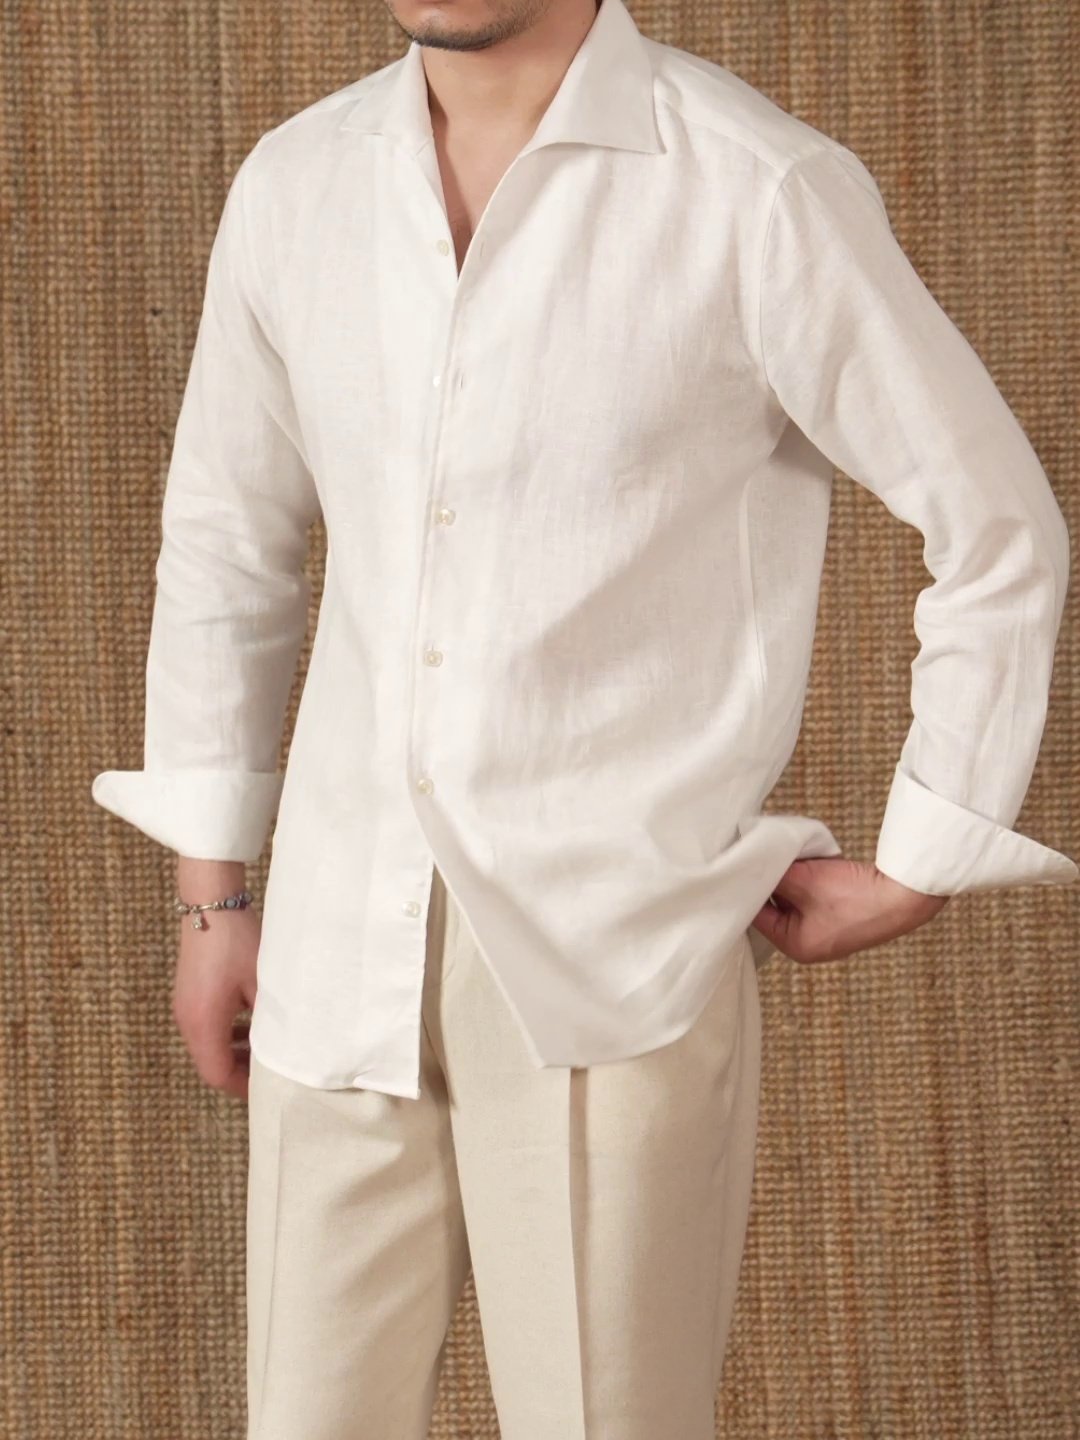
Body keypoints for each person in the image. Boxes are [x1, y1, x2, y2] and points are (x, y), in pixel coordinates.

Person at [91, 0, 1077, 1435]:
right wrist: (213, 896)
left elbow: (996, 530)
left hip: (615, 961)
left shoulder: (755, 189)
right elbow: (227, 543)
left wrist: (929, 853)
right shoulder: (295, 185)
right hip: (333, 945)